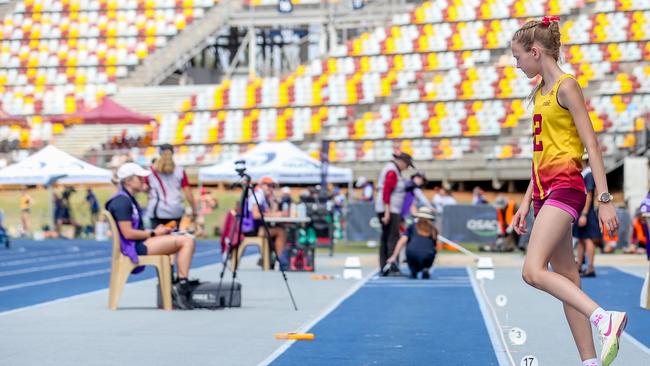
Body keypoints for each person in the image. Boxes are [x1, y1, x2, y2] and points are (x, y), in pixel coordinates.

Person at [510, 17, 626, 366]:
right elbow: (543, 153)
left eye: (518, 57)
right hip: (545, 191)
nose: (516, 64)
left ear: (535, 51)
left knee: (532, 271)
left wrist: (604, 200)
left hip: (566, 188)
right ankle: (590, 361)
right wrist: (526, 201)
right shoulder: (540, 92)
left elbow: (592, 143)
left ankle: (604, 318)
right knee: (567, 277)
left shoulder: (565, 86)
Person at [106, 162, 196, 309]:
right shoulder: (122, 202)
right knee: (187, 241)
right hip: (134, 247)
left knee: (181, 236)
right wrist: (154, 233)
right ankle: (182, 287)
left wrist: (157, 231)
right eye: (140, 178)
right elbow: (128, 233)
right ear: (128, 181)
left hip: (136, 244)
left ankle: (174, 286)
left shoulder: (126, 199)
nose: (143, 181)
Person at [375, 152, 414, 276]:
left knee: (387, 237)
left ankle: (385, 267)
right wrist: (387, 212)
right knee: (392, 238)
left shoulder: (392, 170)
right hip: (390, 209)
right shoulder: (392, 171)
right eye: (407, 165)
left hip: (389, 208)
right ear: (402, 162)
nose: (407, 168)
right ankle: (391, 266)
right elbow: (387, 192)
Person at [145, 144, 197, 229]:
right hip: (175, 210)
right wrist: (194, 209)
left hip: (157, 210)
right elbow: (188, 192)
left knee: (157, 240)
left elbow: (144, 187)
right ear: (173, 153)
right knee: (173, 239)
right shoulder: (180, 170)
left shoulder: (151, 171)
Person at [243, 176, 288, 268]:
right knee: (281, 232)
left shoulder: (263, 196)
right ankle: (279, 261)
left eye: (272, 186)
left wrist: (273, 200)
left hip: (258, 227)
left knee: (277, 231)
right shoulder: (258, 195)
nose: (270, 188)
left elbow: (269, 211)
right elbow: (256, 215)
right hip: (252, 228)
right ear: (261, 185)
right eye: (268, 185)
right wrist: (275, 215)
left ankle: (268, 259)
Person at [386, 207, 439, 279]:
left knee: (412, 251)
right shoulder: (433, 229)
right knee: (431, 252)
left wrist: (394, 256)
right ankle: (426, 267)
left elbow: (402, 241)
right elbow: (435, 246)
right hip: (428, 255)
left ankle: (413, 270)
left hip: (412, 254)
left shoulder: (412, 227)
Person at [573, 160, 602, 277]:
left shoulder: (588, 173)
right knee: (580, 238)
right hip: (581, 210)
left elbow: (589, 194)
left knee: (588, 239)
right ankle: (579, 266)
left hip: (586, 211)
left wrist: (584, 214)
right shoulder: (585, 172)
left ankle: (590, 267)